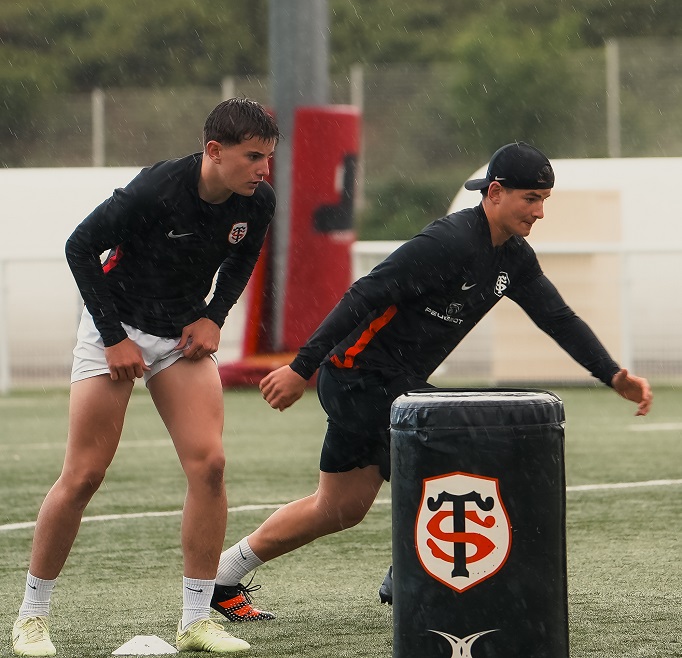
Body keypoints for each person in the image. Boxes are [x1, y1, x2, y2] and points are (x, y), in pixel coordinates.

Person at [209, 141, 653, 620]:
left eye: (545, 199)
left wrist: (612, 374)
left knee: (338, 508)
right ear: (496, 193)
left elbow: (557, 318)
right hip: (359, 378)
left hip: (393, 386)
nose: (540, 212)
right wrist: (301, 367)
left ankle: (222, 576)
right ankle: (415, 575)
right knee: (462, 439)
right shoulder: (450, 242)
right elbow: (364, 295)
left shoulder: (514, 258)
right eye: (532, 198)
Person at [12, 98, 281, 657]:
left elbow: (241, 261)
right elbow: (80, 248)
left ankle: (195, 619)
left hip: (180, 333)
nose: (265, 169)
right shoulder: (154, 190)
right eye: (254, 157)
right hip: (117, 326)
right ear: (214, 152)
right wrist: (113, 337)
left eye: (270, 157)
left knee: (210, 466)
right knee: (84, 475)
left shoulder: (258, 203)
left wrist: (214, 316)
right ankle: (31, 617)